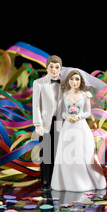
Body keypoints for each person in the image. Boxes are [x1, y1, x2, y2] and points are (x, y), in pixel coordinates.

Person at [51, 70, 107, 192]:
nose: (74, 82)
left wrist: (79, 117)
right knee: (67, 154)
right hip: (68, 127)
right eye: (72, 79)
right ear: (68, 81)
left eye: (77, 79)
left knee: (84, 152)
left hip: (81, 126)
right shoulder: (64, 95)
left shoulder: (85, 95)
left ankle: (87, 180)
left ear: (81, 81)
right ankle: (68, 182)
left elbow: (88, 112)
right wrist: (68, 117)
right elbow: (62, 112)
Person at [32, 55, 63, 190]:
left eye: (57, 67)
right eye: (51, 66)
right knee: (45, 151)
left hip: (61, 121)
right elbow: (36, 105)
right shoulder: (39, 83)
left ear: (60, 68)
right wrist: (37, 123)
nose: (54, 70)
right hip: (45, 122)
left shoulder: (64, 83)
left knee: (58, 151)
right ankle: (45, 180)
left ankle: (57, 180)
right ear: (47, 67)